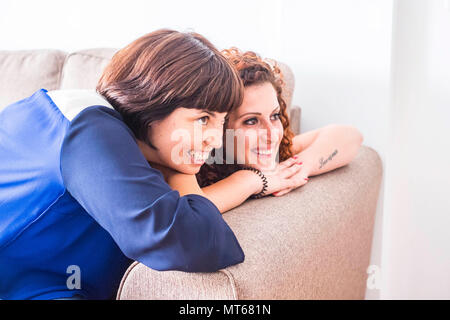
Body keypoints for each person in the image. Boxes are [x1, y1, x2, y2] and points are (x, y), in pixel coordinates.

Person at [0, 30, 294, 300]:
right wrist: (251, 180)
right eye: (203, 119)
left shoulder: (137, 146)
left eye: (220, 123)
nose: (215, 141)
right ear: (154, 101)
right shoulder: (88, 129)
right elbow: (191, 242)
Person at [195, 48, 364, 197]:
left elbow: (351, 136)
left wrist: (298, 168)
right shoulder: (192, 167)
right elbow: (190, 210)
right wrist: (252, 181)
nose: (272, 134)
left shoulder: (276, 156)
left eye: (275, 116)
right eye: (251, 121)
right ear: (220, 129)